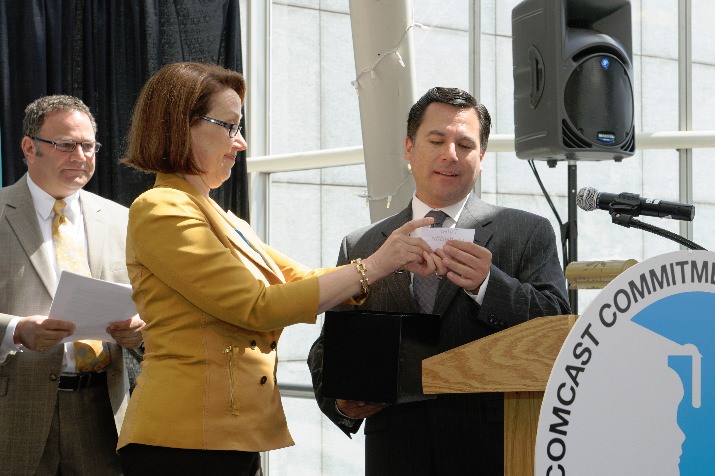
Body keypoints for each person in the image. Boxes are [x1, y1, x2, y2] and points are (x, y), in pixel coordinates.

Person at [115, 61, 438, 476]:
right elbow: (257, 305)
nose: (241, 142)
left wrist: (393, 262)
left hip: (227, 435)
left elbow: (300, 280)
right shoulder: (160, 209)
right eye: (229, 126)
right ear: (182, 125)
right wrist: (375, 264)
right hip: (185, 441)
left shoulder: (220, 216)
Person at [307, 87, 571, 475]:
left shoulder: (526, 232)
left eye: (465, 144)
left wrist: (489, 285)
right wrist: (342, 405)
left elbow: (558, 327)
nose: (450, 154)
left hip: (495, 453)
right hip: (395, 453)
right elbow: (330, 345)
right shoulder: (362, 244)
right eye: (436, 140)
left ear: (481, 159)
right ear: (409, 148)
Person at [0, 95, 146, 476]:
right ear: (30, 148)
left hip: (104, 411)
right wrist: (15, 331)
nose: (80, 156)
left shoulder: (122, 220)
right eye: (65, 145)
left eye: (88, 146)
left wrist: (140, 333)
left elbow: (151, 306)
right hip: (14, 413)